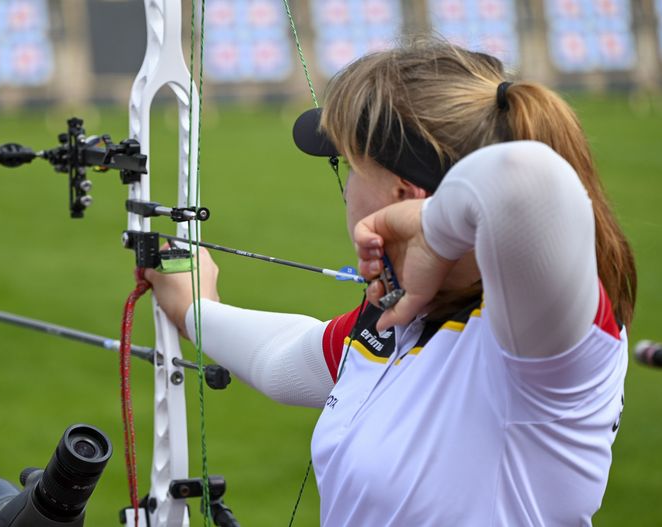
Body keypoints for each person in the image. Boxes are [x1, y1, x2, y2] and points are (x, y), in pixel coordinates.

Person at [146, 40, 636, 526]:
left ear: (404, 193)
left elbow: (528, 182)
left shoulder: (541, 344)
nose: (345, 193)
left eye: (348, 165)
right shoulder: (402, 321)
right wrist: (196, 307)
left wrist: (432, 230)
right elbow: (287, 360)